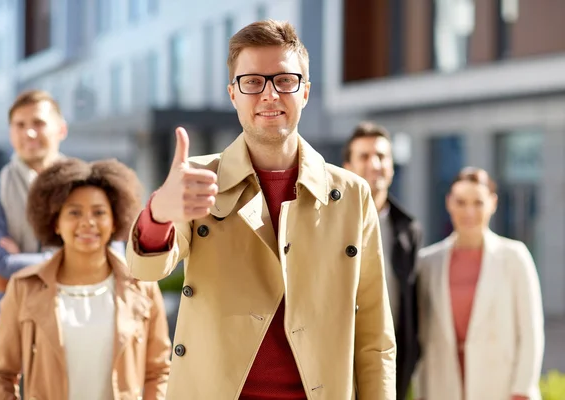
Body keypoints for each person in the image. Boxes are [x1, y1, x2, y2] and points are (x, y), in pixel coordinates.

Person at [126, 19, 396, 399]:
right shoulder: (198, 180)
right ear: (233, 94)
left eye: (285, 80)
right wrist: (159, 213)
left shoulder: (351, 194)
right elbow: (145, 269)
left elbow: (374, 334)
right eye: (252, 82)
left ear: (305, 92)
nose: (269, 94)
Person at [0, 158, 172, 399]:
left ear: (115, 220)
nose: (88, 222)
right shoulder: (24, 287)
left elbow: (159, 371)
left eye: (99, 212)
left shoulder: (143, 286)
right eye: (74, 212)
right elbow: (1, 373)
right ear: (55, 223)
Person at [414, 167, 544, 400]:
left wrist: (522, 390)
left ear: (493, 203)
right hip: (442, 388)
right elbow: (422, 335)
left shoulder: (514, 257)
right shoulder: (427, 262)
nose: (469, 211)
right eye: (461, 202)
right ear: (449, 203)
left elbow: (531, 331)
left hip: (502, 389)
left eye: (478, 202)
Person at [0, 90, 68, 398]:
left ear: (60, 129)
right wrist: (73, 258)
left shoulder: (88, 188)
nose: (28, 132)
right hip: (9, 345)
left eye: (38, 123)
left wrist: (23, 260)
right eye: (19, 124)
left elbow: (112, 259)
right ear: (10, 132)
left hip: (74, 336)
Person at [343, 121, 422, 400]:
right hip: (338, 361)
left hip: (390, 365)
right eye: (364, 156)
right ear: (347, 166)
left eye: (381, 156)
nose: (374, 164)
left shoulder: (408, 230)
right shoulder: (327, 222)